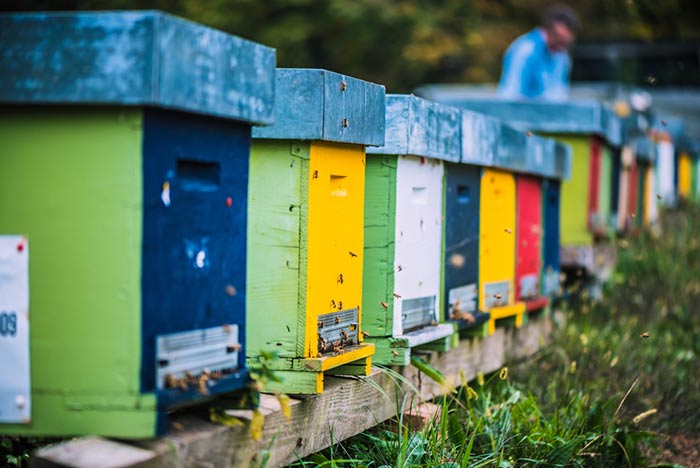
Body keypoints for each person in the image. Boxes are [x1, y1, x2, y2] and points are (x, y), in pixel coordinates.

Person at [498, 5, 579, 101]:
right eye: (560, 39)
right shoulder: (525, 50)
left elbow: (559, 95)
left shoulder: (561, 55)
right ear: (550, 30)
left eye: (566, 42)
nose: (563, 46)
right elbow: (509, 96)